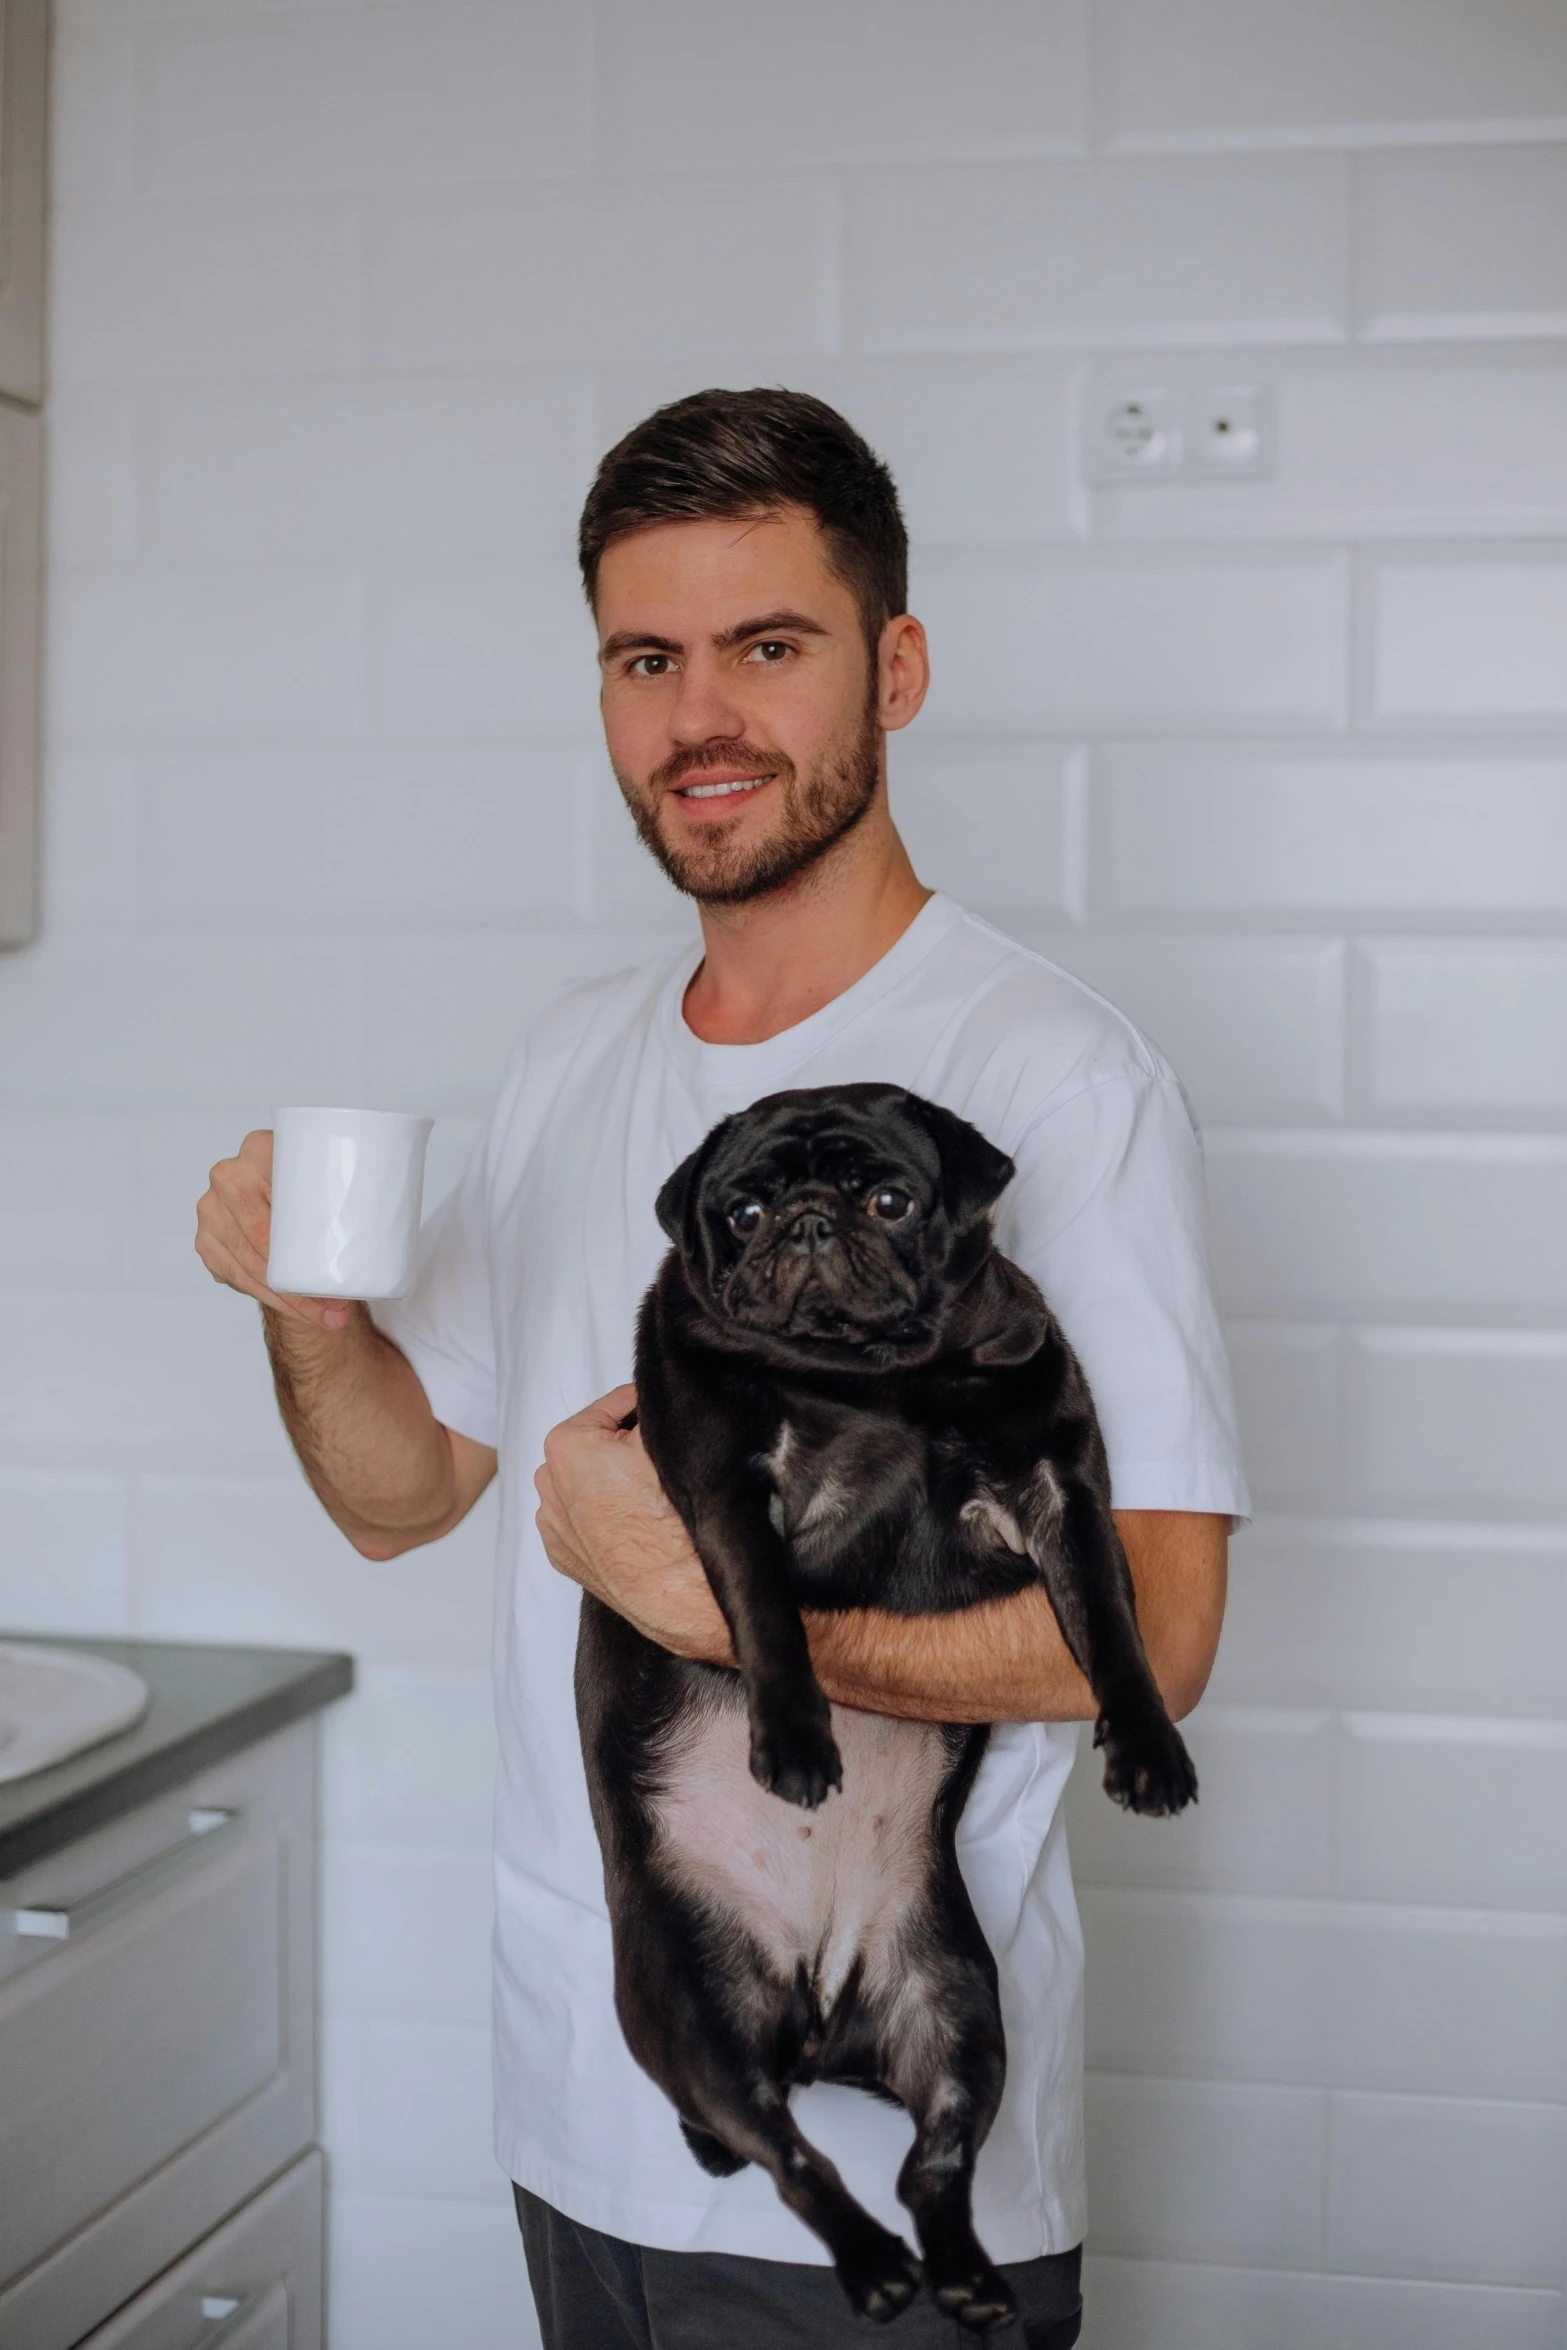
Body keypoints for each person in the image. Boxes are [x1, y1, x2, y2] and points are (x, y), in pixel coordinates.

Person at [196, 388, 1247, 2349]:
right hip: (595, 2094)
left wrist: (684, 1584)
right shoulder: (570, 1062)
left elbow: (1160, 1638)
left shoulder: (1055, 1073)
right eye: (646, 657)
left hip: (913, 2151)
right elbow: (403, 1490)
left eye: (770, 646)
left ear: (896, 665)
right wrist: (306, 1311)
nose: (704, 717)